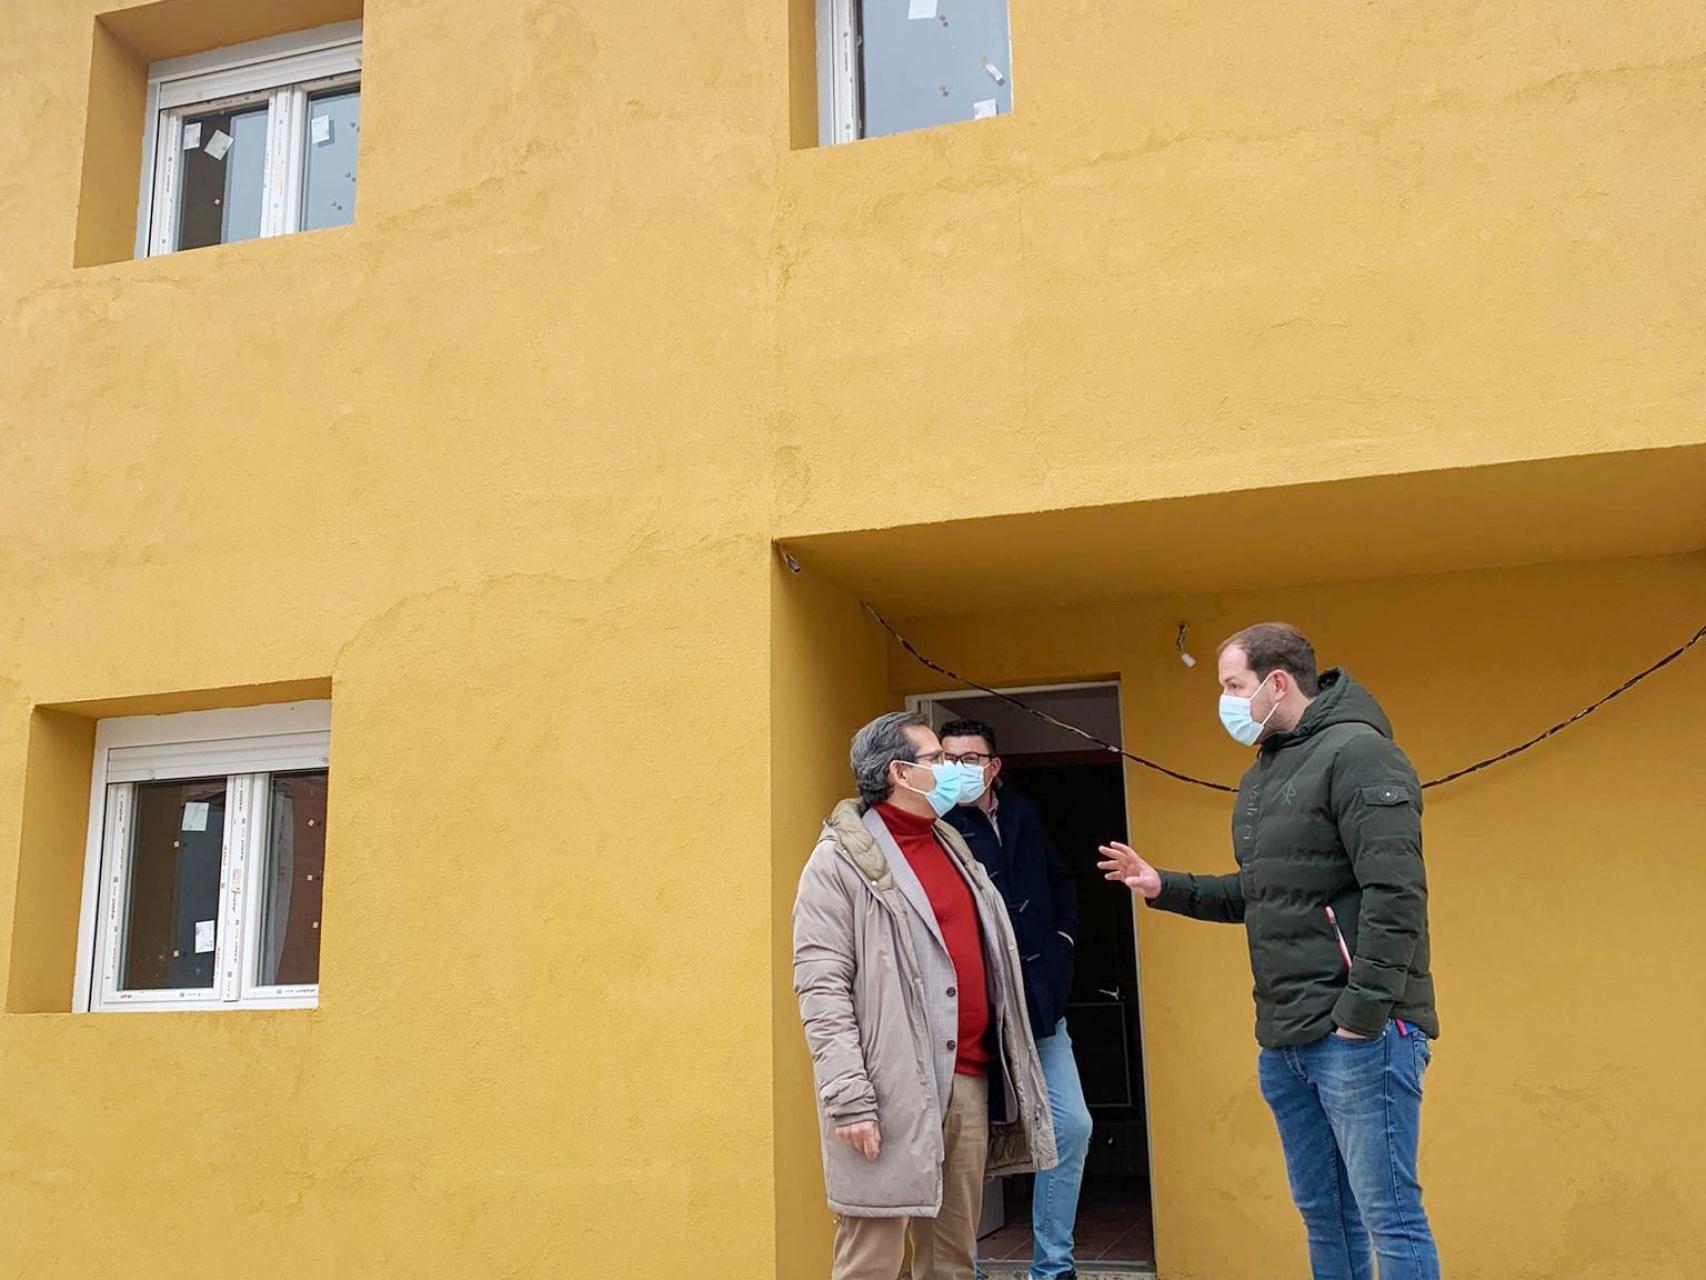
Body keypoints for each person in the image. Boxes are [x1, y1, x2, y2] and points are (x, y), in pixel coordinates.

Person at [1098, 623, 1440, 1280]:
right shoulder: (1264, 773)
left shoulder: (1360, 755)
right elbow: (1263, 893)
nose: (1225, 702)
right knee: (1325, 1216)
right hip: (1286, 1039)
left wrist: (1360, 1017)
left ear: (1277, 683)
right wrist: (1165, 885)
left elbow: (1397, 894)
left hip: (1360, 1036)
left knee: (1390, 1216)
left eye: (1234, 686)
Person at [794, 710, 1058, 1280]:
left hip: (967, 1080)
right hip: (887, 1089)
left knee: (952, 1260)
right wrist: (850, 1098)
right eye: (936, 758)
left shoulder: (952, 846)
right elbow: (822, 987)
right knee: (873, 1257)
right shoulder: (839, 861)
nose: (951, 768)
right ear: (899, 773)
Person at [939, 719, 1091, 1280]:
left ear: (994, 766)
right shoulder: (936, 828)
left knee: (1071, 1126)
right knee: (967, 1142)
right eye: (948, 759)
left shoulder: (1023, 815)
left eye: (970, 759)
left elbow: (1061, 882)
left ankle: (1053, 1266)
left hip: (1040, 1010)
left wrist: (1062, 944)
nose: (959, 769)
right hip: (973, 1015)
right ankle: (966, 1268)